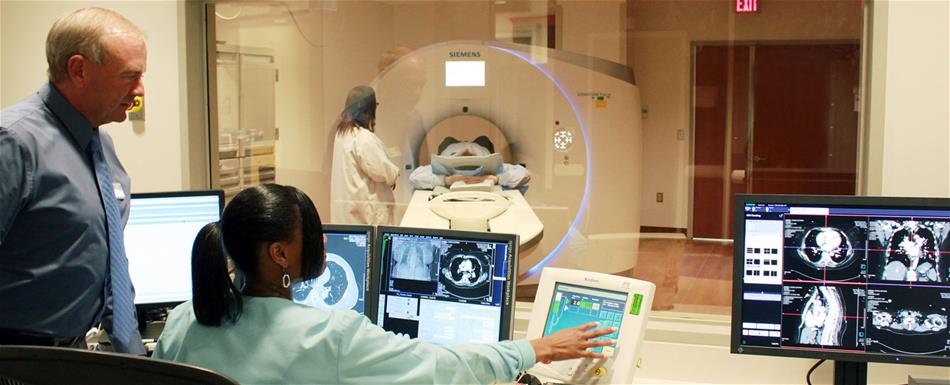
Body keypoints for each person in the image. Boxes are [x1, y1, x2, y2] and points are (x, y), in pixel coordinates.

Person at [153, 184, 616, 384]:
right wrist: (537, 348)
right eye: (312, 235)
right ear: (280, 254)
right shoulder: (328, 337)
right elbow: (440, 367)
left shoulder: (181, 321)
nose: (322, 242)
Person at [0, 7, 146, 354]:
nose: (139, 90)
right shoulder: (14, 142)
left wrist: (134, 353)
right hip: (17, 357)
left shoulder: (101, 146)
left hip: (75, 352)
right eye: (129, 76)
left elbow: (111, 258)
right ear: (79, 70)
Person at [330, 85, 400, 225]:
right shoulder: (363, 137)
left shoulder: (342, 134)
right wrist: (394, 173)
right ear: (370, 110)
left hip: (349, 213)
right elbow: (381, 171)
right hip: (365, 217)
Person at [409, 137, 531, 190]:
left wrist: (495, 179)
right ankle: (458, 153)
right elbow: (414, 177)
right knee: (448, 141)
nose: (467, 151)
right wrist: (446, 180)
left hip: (480, 152)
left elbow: (524, 174)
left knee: (483, 139)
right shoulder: (443, 169)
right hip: (452, 152)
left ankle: (475, 152)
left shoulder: (491, 168)